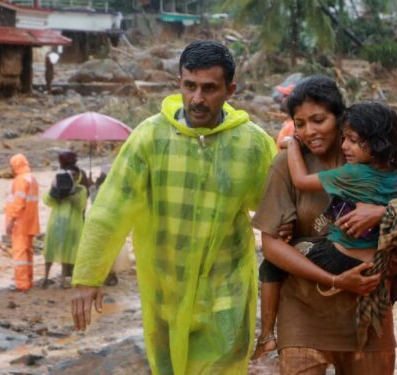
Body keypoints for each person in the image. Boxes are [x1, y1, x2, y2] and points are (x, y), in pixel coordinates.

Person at [69, 40, 277, 375]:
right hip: (165, 291)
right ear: (178, 84)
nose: (197, 98)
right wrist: (88, 276)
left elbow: (280, 209)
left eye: (209, 88)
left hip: (227, 292)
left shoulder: (251, 144)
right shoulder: (150, 138)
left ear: (230, 90)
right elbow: (111, 208)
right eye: (189, 86)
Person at [251, 75, 397, 373]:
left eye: (319, 120)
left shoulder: (375, 161)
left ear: (340, 118)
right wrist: (333, 280)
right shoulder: (286, 166)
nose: (309, 132)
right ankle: (267, 336)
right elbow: (271, 246)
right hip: (304, 311)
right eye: (300, 123)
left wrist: (383, 214)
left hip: (367, 311)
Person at [41, 151, 88, 289]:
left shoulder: (81, 190)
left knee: (67, 252)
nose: (73, 178)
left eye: (75, 175)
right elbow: (47, 201)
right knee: (50, 250)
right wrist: (55, 190)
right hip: (56, 222)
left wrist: (71, 194)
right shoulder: (59, 184)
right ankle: (45, 277)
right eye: (71, 175)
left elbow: (81, 205)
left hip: (73, 225)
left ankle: (63, 280)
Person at [5, 153, 40, 292]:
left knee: (19, 255)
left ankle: (22, 284)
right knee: (28, 253)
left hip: (20, 223)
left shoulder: (20, 180)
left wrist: (11, 222)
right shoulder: (32, 179)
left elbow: (18, 203)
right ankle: (28, 281)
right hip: (31, 221)